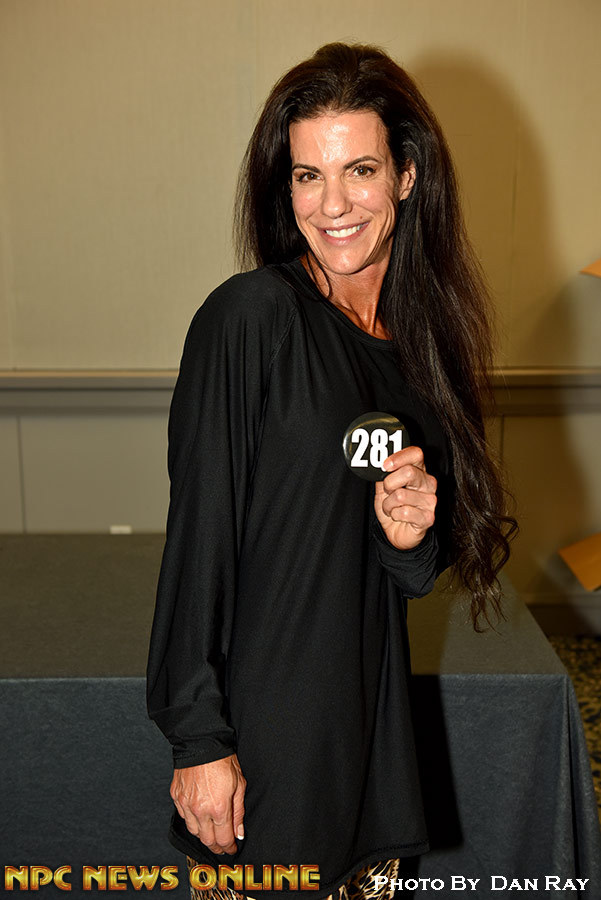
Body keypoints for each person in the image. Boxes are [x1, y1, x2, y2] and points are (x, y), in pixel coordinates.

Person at [146, 42, 516, 900]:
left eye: (359, 170)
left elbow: (409, 578)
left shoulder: (423, 343)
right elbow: (198, 539)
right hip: (265, 750)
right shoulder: (252, 318)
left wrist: (409, 535)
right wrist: (198, 742)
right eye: (307, 176)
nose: (333, 203)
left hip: (372, 747)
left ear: (408, 176)